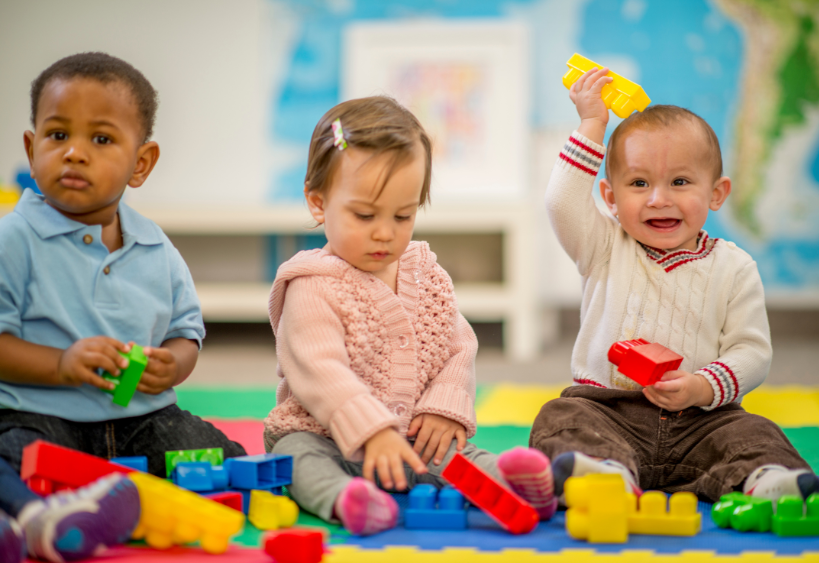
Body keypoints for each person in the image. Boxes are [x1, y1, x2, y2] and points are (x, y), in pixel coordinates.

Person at [263, 96, 557, 535]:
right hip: (322, 434)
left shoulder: (426, 273)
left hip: (412, 435)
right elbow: (321, 372)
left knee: (456, 457)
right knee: (296, 460)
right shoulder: (312, 285)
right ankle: (347, 501)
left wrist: (444, 407)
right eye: (364, 215)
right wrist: (371, 431)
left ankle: (517, 485)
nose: (385, 232)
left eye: (403, 215)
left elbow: (458, 344)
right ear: (318, 202)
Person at [531, 67, 819, 503]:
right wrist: (592, 124)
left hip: (702, 419)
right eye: (639, 183)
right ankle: (605, 474)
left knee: (756, 432)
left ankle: (766, 478)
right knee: (561, 416)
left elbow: (752, 352)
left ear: (716, 193)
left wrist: (703, 386)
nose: (658, 198)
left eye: (680, 182)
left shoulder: (734, 267)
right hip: (608, 411)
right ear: (610, 197)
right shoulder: (603, 244)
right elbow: (561, 201)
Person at [0, 52, 246, 562]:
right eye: (57, 135)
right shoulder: (13, 239)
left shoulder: (157, 248)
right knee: (5, 454)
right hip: (41, 418)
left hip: (141, 420)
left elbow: (186, 333)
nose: (74, 153)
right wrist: (63, 365)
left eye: (102, 139)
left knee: (231, 460)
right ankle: (35, 519)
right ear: (31, 147)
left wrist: (172, 364)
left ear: (142, 163)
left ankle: (104, 503)